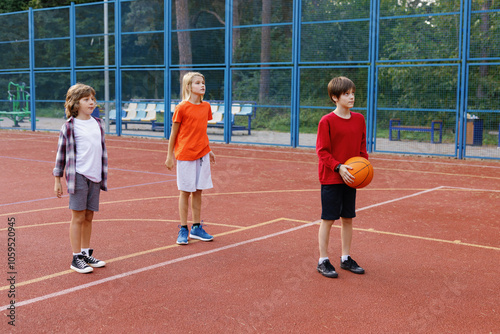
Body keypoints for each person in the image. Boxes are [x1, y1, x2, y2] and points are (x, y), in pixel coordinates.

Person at [315, 76, 368, 278]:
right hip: (332, 177)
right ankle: (323, 260)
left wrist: (363, 166)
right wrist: (338, 167)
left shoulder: (359, 119)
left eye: (353, 93)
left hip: (352, 176)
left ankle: (345, 258)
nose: (351, 97)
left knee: (348, 218)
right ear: (334, 97)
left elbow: (362, 148)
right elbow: (322, 151)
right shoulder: (326, 121)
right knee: (328, 219)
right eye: (346, 94)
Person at [53, 83, 108, 274]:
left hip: (95, 176)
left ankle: (85, 253)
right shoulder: (69, 127)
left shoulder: (98, 123)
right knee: (77, 216)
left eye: (93, 98)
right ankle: (76, 257)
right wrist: (57, 179)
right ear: (76, 103)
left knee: (89, 215)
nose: (91, 102)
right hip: (78, 176)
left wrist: (101, 176)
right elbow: (61, 154)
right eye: (86, 99)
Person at [165, 72, 216, 245]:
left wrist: (208, 149)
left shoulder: (206, 106)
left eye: (203, 82)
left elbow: (201, 131)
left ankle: (196, 228)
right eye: (197, 83)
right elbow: (174, 133)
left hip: (202, 153)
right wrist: (169, 156)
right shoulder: (182, 108)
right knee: (185, 191)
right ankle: (183, 229)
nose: (202, 85)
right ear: (188, 87)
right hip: (185, 154)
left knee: (198, 191)